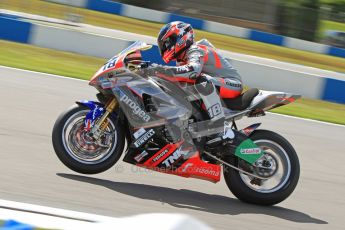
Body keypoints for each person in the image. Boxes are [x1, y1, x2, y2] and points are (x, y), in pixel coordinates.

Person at [152, 21, 243, 126]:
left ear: (180, 37)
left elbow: (193, 71)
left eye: (168, 43)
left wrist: (162, 70)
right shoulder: (182, 59)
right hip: (218, 84)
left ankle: (220, 125)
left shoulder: (196, 49)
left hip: (232, 84)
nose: (166, 47)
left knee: (203, 82)